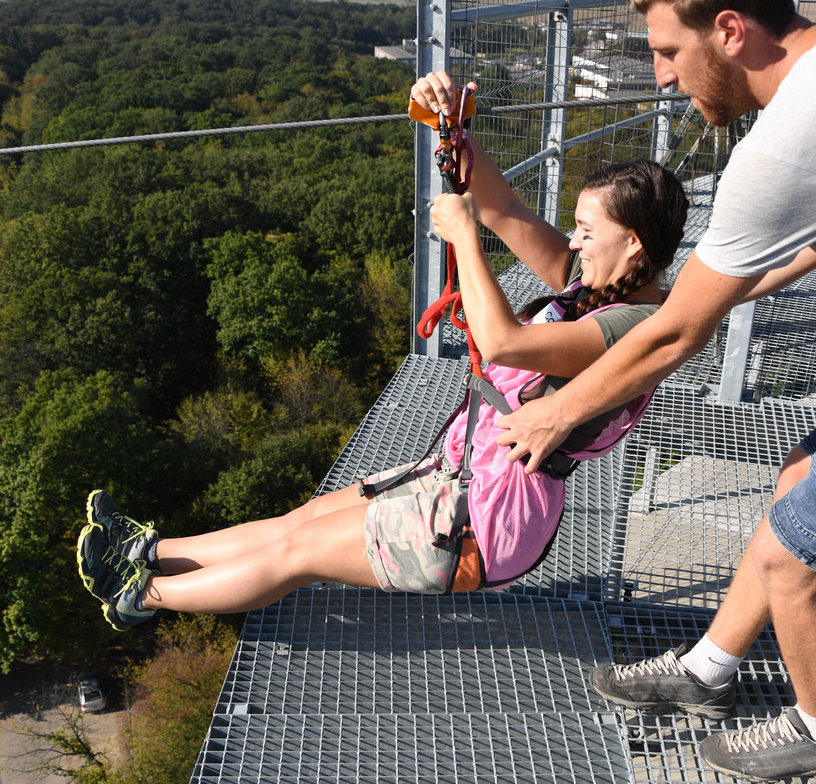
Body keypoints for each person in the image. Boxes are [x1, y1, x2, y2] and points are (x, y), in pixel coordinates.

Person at [76, 117, 687, 635]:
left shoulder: (629, 328)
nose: (574, 244)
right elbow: (505, 208)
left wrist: (464, 240)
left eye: (586, 231)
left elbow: (505, 341)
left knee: (298, 553)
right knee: (303, 521)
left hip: (487, 519)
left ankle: (141, 594)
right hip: (461, 475)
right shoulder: (594, 290)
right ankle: (150, 550)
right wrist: (455, 131)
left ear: (633, 244)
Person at [473, 0, 816, 782]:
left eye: (669, 49)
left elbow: (672, 332)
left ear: (731, 30)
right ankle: (706, 672)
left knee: (790, 547)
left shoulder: (781, 145)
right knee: (792, 488)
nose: (660, 75)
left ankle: (814, 724)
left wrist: (553, 412)